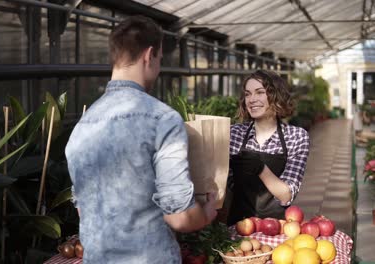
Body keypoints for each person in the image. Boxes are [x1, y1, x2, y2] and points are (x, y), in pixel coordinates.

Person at [65, 15, 217, 264]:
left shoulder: (81, 127)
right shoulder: (162, 119)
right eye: (159, 59)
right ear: (149, 55)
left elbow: (84, 209)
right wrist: (206, 213)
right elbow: (179, 217)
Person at [226, 70, 310, 225]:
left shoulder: (296, 137)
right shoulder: (234, 134)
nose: (252, 99)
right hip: (238, 226)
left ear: (276, 96)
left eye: (259, 92)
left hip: (276, 227)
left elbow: (286, 195)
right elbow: (227, 185)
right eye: (247, 94)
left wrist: (260, 169)